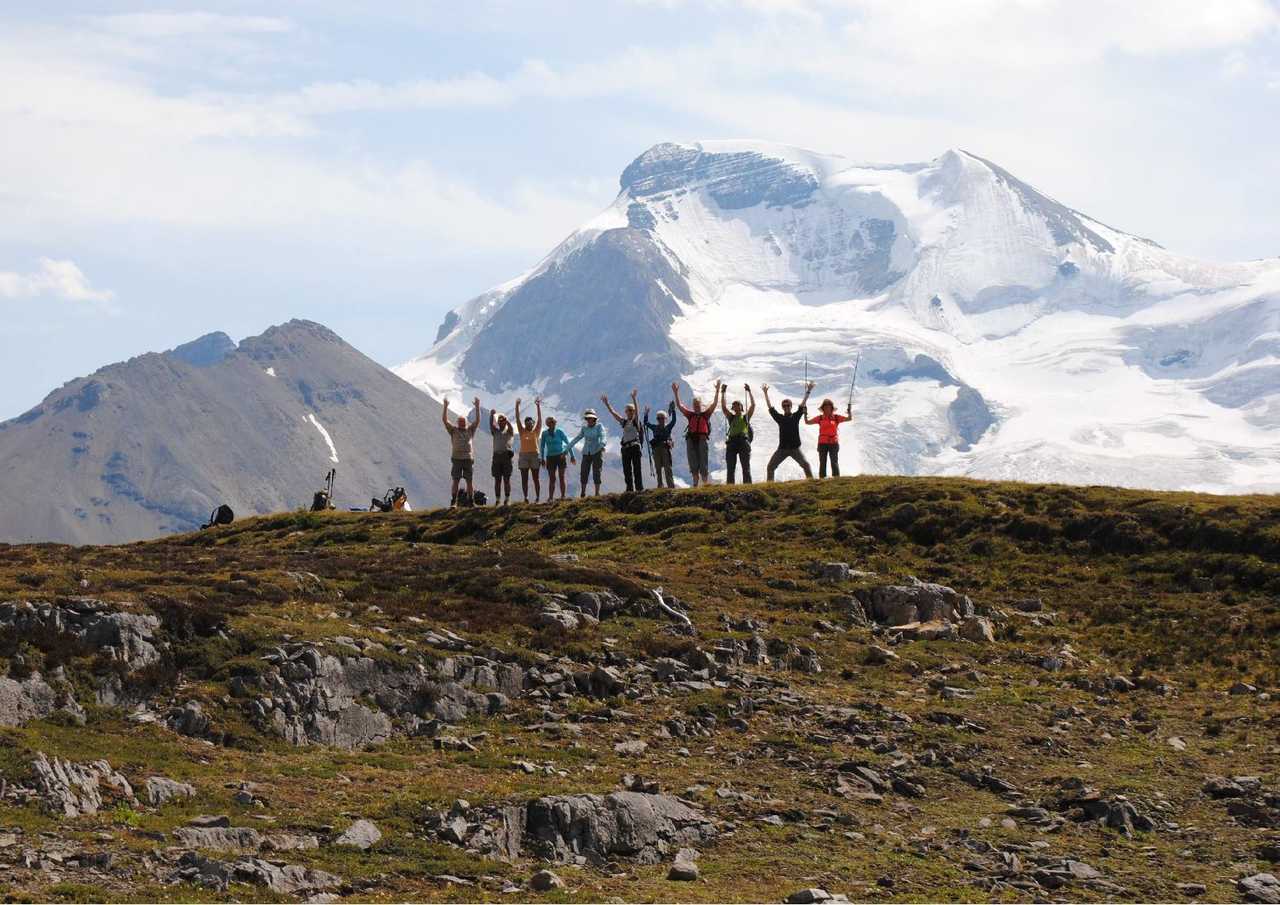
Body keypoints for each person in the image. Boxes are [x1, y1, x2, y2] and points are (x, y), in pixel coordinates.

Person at [672, 379, 722, 487]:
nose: (696, 406)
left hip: (702, 439)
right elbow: (680, 406)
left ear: (701, 405)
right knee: (693, 462)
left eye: (698, 404)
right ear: (693, 406)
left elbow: (714, 404)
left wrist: (717, 391)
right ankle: (695, 483)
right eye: (695, 405)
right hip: (691, 439)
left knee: (703, 462)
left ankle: (704, 484)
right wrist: (676, 393)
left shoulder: (706, 414)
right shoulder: (690, 415)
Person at [762, 381, 814, 481]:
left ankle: (812, 483)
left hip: (795, 448)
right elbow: (770, 407)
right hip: (782, 449)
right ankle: (769, 485)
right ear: (782, 407)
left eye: (788, 405)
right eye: (784, 406)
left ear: (791, 406)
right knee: (770, 467)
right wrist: (765, 393)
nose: (786, 407)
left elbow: (803, 404)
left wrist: (808, 391)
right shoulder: (779, 418)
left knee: (806, 465)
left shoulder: (796, 416)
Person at [601, 389, 645, 492]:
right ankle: (629, 489)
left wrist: (634, 399)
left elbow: (638, 411)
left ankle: (639, 489)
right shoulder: (624, 422)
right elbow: (614, 414)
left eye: (630, 410)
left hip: (635, 447)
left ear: (633, 412)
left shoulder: (636, 421)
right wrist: (607, 404)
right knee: (627, 470)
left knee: (637, 469)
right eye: (627, 411)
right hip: (625, 448)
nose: (629, 412)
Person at [441, 397, 481, 506]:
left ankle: (471, 501)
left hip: (468, 458)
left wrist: (477, 407)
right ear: (457, 423)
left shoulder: (470, 430)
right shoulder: (453, 430)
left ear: (466, 423)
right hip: (457, 458)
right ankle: (454, 502)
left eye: (463, 422)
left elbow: (477, 421)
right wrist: (445, 407)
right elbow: (445, 421)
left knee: (469, 481)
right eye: (460, 422)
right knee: (456, 480)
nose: (462, 424)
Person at [806, 397, 852, 478]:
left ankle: (836, 479)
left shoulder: (836, 417)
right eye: (825, 407)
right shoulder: (820, 418)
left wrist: (849, 412)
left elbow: (849, 419)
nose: (827, 408)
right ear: (823, 408)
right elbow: (807, 422)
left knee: (834, 462)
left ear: (831, 408)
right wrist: (805, 414)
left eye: (829, 406)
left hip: (833, 442)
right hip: (823, 443)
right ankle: (823, 479)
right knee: (823, 462)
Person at [720, 383, 756, 484]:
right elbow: (723, 407)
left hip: (742, 442)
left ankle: (747, 486)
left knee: (745, 467)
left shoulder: (745, 418)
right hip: (732, 442)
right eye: (734, 405)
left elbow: (753, 405)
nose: (736, 407)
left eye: (737, 405)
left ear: (741, 407)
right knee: (730, 468)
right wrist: (723, 392)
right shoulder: (731, 417)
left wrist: (749, 392)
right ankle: (731, 487)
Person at [567, 408, 606, 498]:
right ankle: (583, 492)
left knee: (597, 472)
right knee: (584, 472)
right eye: (587, 418)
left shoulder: (599, 426)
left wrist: (602, 444)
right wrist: (567, 448)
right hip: (586, 452)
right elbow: (577, 438)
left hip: (597, 451)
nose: (589, 420)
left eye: (590, 418)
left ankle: (597, 493)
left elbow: (603, 436)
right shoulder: (584, 428)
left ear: (594, 419)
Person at [514, 397, 543, 503]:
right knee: (524, 478)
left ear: (533, 423)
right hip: (524, 456)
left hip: (535, 455)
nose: (529, 424)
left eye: (530, 423)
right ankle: (526, 497)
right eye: (527, 423)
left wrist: (538, 406)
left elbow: (540, 420)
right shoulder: (522, 431)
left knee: (536, 478)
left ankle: (537, 497)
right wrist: (517, 406)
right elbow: (517, 419)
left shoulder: (536, 431)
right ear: (525, 424)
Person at [539, 415, 573, 502]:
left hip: (560, 456)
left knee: (561, 477)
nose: (553, 424)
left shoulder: (559, 432)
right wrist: (542, 458)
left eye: (554, 422)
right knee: (552, 478)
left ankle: (563, 496)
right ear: (547, 424)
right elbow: (542, 446)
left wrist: (572, 456)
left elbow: (568, 443)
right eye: (551, 422)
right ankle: (550, 497)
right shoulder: (545, 433)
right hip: (550, 457)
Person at [644, 401, 677, 488]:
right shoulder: (655, 427)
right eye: (659, 418)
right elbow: (646, 423)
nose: (660, 420)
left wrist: (673, 410)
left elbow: (674, 421)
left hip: (665, 449)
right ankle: (660, 485)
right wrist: (646, 414)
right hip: (657, 450)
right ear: (657, 419)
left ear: (665, 419)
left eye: (662, 418)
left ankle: (670, 486)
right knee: (658, 468)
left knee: (667, 468)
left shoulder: (667, 427)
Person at [489, 407, 515, 505]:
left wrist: (506, 420)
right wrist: (492, 415)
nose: (501, 422)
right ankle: (498, 499)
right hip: (496, 456)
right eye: (499, 420)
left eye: (503, 420)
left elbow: (511, 428)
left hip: (506, 456)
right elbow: (491, 425)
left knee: (506, 479)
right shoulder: (495, 431)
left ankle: (507, 498)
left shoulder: (509, 431)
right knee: (497, 479)